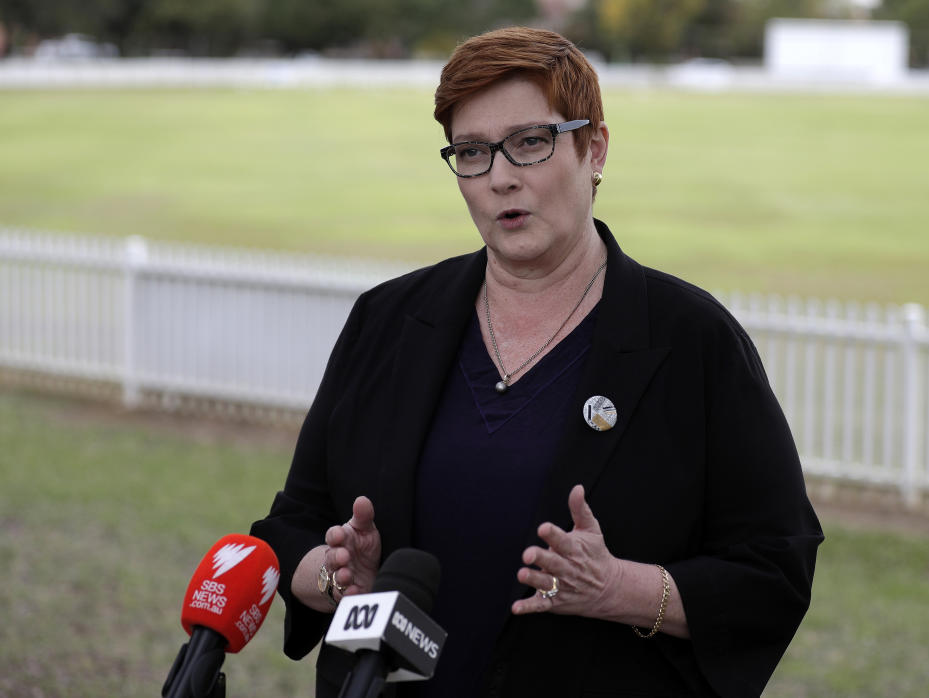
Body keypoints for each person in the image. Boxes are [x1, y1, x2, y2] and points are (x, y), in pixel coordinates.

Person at [250, 26, 822, 698]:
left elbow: (774, 573)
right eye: (472, 152)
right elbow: (289, 529)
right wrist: (337, 575)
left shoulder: (693, 343)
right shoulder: (388, 321)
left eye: (530, 142)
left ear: (595, 149)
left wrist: (621, 589)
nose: (499, 177)